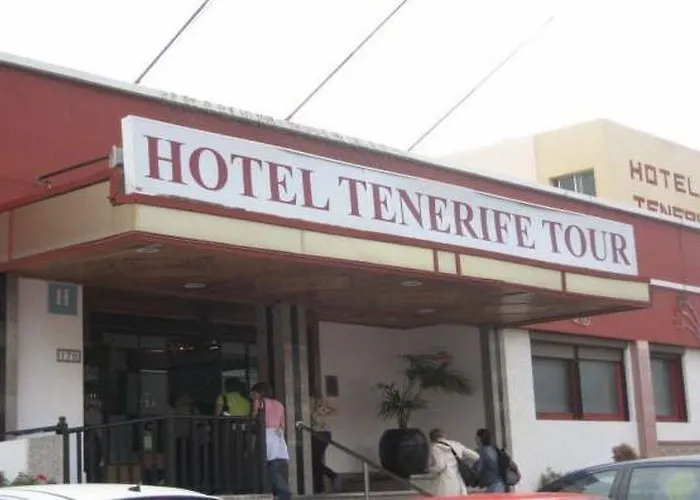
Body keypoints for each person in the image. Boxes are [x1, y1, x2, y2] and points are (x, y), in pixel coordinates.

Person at [251, 382, 291, 500]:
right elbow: (283, 424)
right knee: (277, 465)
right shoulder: (279, 404)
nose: (253, 396)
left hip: (265, 434)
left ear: (259, 393)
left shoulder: (259, 402)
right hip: (278, 435)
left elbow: (254, 417)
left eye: (254, 393)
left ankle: (281, 492)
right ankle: (280, 491)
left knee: (266, 465)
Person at [428, 428, 479, 496]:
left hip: (445, 482)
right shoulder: (455, 444)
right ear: (444, 435)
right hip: (459, 481)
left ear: (431, 439)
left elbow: (440, 466)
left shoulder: (435, 448)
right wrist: (462, 460)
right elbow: (476, 456)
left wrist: (430, 469)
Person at [473, 428, 519, 493]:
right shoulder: (495, 449)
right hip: (502, 485)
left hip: (492, 486)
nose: (475, 439)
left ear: (479, 438)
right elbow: (509, 462)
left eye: (476, 437)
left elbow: (478, 469)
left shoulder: (482, 451)